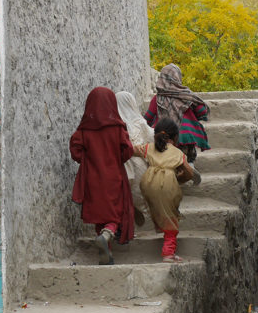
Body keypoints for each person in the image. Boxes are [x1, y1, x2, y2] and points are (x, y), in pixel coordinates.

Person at [70, 87, 135, 265]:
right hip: (114, 176)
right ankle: (107, 236)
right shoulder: (117, 128)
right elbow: (127, 150)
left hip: (91, 179)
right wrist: (115, 157)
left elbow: (75, 151)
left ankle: (106, 254)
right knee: (114, 214)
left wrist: (87, 159)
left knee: (100, 214)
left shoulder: (83, 131)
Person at [136, 118, 199, 263]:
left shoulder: (148, 147)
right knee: (171, 216)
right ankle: (168, 253)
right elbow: (189, 173)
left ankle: (159, 225)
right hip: (168, 184)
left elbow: (131, 150)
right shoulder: (178, 153)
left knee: (157, 205)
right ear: (175, 137)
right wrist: (178, 180)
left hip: (147, 182)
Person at [143, 64, 209, 163]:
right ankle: (188, 166)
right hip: (185, 137)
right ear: (178, 77)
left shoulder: (157, 98)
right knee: (186, 157)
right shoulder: (186, 95)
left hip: (164, 139)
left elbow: (147, 119)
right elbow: (202, 111)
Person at [116, 91, 152, 227]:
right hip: (138, 163)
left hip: (122, 164)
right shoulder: (139, 122)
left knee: (124, 195)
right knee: (140, 191)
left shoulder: (116, 125)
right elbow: (151, 138)